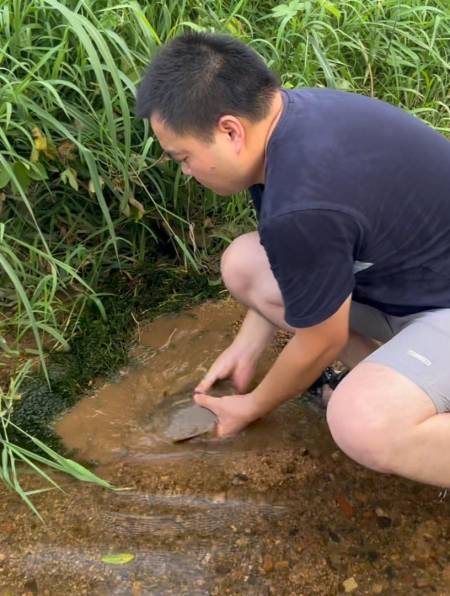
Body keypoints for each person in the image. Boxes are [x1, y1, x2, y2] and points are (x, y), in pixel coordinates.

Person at [136, 32, 450, 488]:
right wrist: (247, 346)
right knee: (245, 262)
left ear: (229, 130)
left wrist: (253, 404)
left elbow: (323, 338)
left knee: (362, 422)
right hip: (418, 276)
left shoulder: (301, 203)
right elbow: (297, 262)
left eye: (183, 157)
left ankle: (408, 406)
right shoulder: (290, 119)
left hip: (439, 303)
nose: (186, 171)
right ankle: (411, 384)